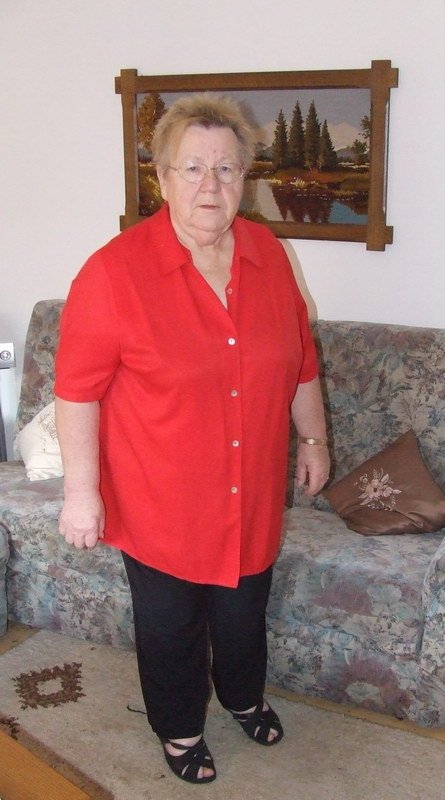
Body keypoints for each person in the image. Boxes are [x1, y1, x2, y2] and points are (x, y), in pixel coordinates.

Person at [54, 93, 330, 785]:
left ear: (245, 178)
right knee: (172, 626)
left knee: (243, 612)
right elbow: (77, 392)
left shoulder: (268, 254)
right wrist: (81, 494)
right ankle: (179, 729)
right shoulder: (114, 273)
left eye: (227, 169)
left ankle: (242, 697)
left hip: (251, 492)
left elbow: (300, 359)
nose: (212, 185)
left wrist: (314, 440)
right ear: (163, 178)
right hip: (161, 500)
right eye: (194, 168)